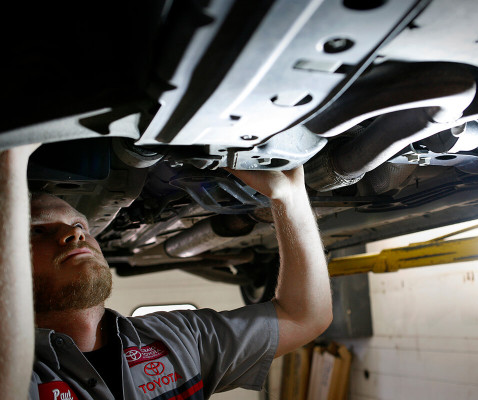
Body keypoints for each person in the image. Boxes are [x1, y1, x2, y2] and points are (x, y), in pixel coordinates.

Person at [0, 144, 333, 399]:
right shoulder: (28, 372)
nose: (75, 234)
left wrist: (289, 198)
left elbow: (304, 317)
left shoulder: (176, 339)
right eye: (36, 231)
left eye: (79, 224)